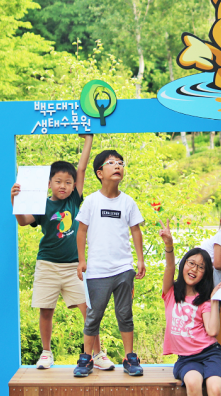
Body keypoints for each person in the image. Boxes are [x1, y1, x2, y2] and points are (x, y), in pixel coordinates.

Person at [10, 135, 110, 371]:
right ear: (49, 184)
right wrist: (15, 202)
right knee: (46, 310)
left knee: (88, 311)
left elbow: (82, 168)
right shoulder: (42, 204)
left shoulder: (75, 201)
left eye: (68, 182)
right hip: (47, 264)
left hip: (74, 266)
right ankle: (46, 353)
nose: (63, 186)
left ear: (74, 185)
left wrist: (88, 140)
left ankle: (97, 354)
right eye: (58, 181)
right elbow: (24, 221)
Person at [73, 149, 146, 377]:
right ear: (99, 173)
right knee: (94, 315)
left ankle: (129, 357)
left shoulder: (128, 202)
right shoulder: (92, 201)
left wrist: (140, 259)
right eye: (111, 163)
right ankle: (86, 358)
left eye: (120, 163)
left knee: (125, 313)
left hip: (124, 268)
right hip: (97, 270)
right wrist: (82, 260)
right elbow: (81, 231)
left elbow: (136, 231)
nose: (117, 166)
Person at [159, 218, 221, 396]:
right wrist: (169, 245)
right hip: (187, 359)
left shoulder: (204, 300)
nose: (195, 269)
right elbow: (169, 267)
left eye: (201, 267)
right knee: (192, 383)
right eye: (191, 263)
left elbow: (212, 331)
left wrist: (214, 300)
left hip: (210, 354)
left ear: (204, 275)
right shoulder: (171, 292)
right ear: (183, 264)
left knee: (215, 388)